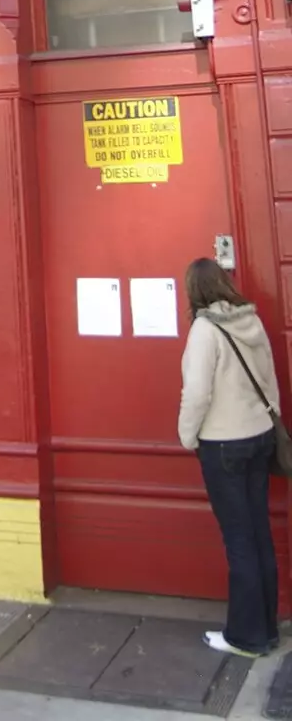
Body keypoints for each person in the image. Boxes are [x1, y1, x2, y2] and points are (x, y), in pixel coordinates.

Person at [178, 257, 280, 657]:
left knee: (239, 541)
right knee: (258, 534)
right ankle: (266, 628)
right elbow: (268, 378)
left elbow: (197, 393)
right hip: (260, 438)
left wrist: (188, 436)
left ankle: (246, 637)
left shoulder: (206, 330)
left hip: (224, 446)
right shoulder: (250, 320)